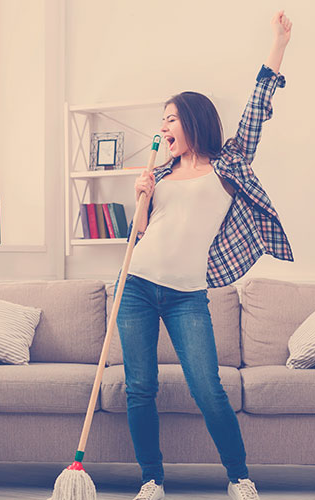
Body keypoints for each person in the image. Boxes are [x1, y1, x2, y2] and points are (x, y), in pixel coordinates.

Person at [113, 10, 294, 500]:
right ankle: (151, 480)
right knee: (139, 389)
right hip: (135, 286)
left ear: (192, 121)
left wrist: (278, 43)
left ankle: (239, 478)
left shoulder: (229, 162)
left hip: (187, 294)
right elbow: (139, 238)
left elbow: (258, 106)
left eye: (170, 118)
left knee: (207, 388)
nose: (164, 126)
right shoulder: (161, 174)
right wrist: (142, 198)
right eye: (161, 121)